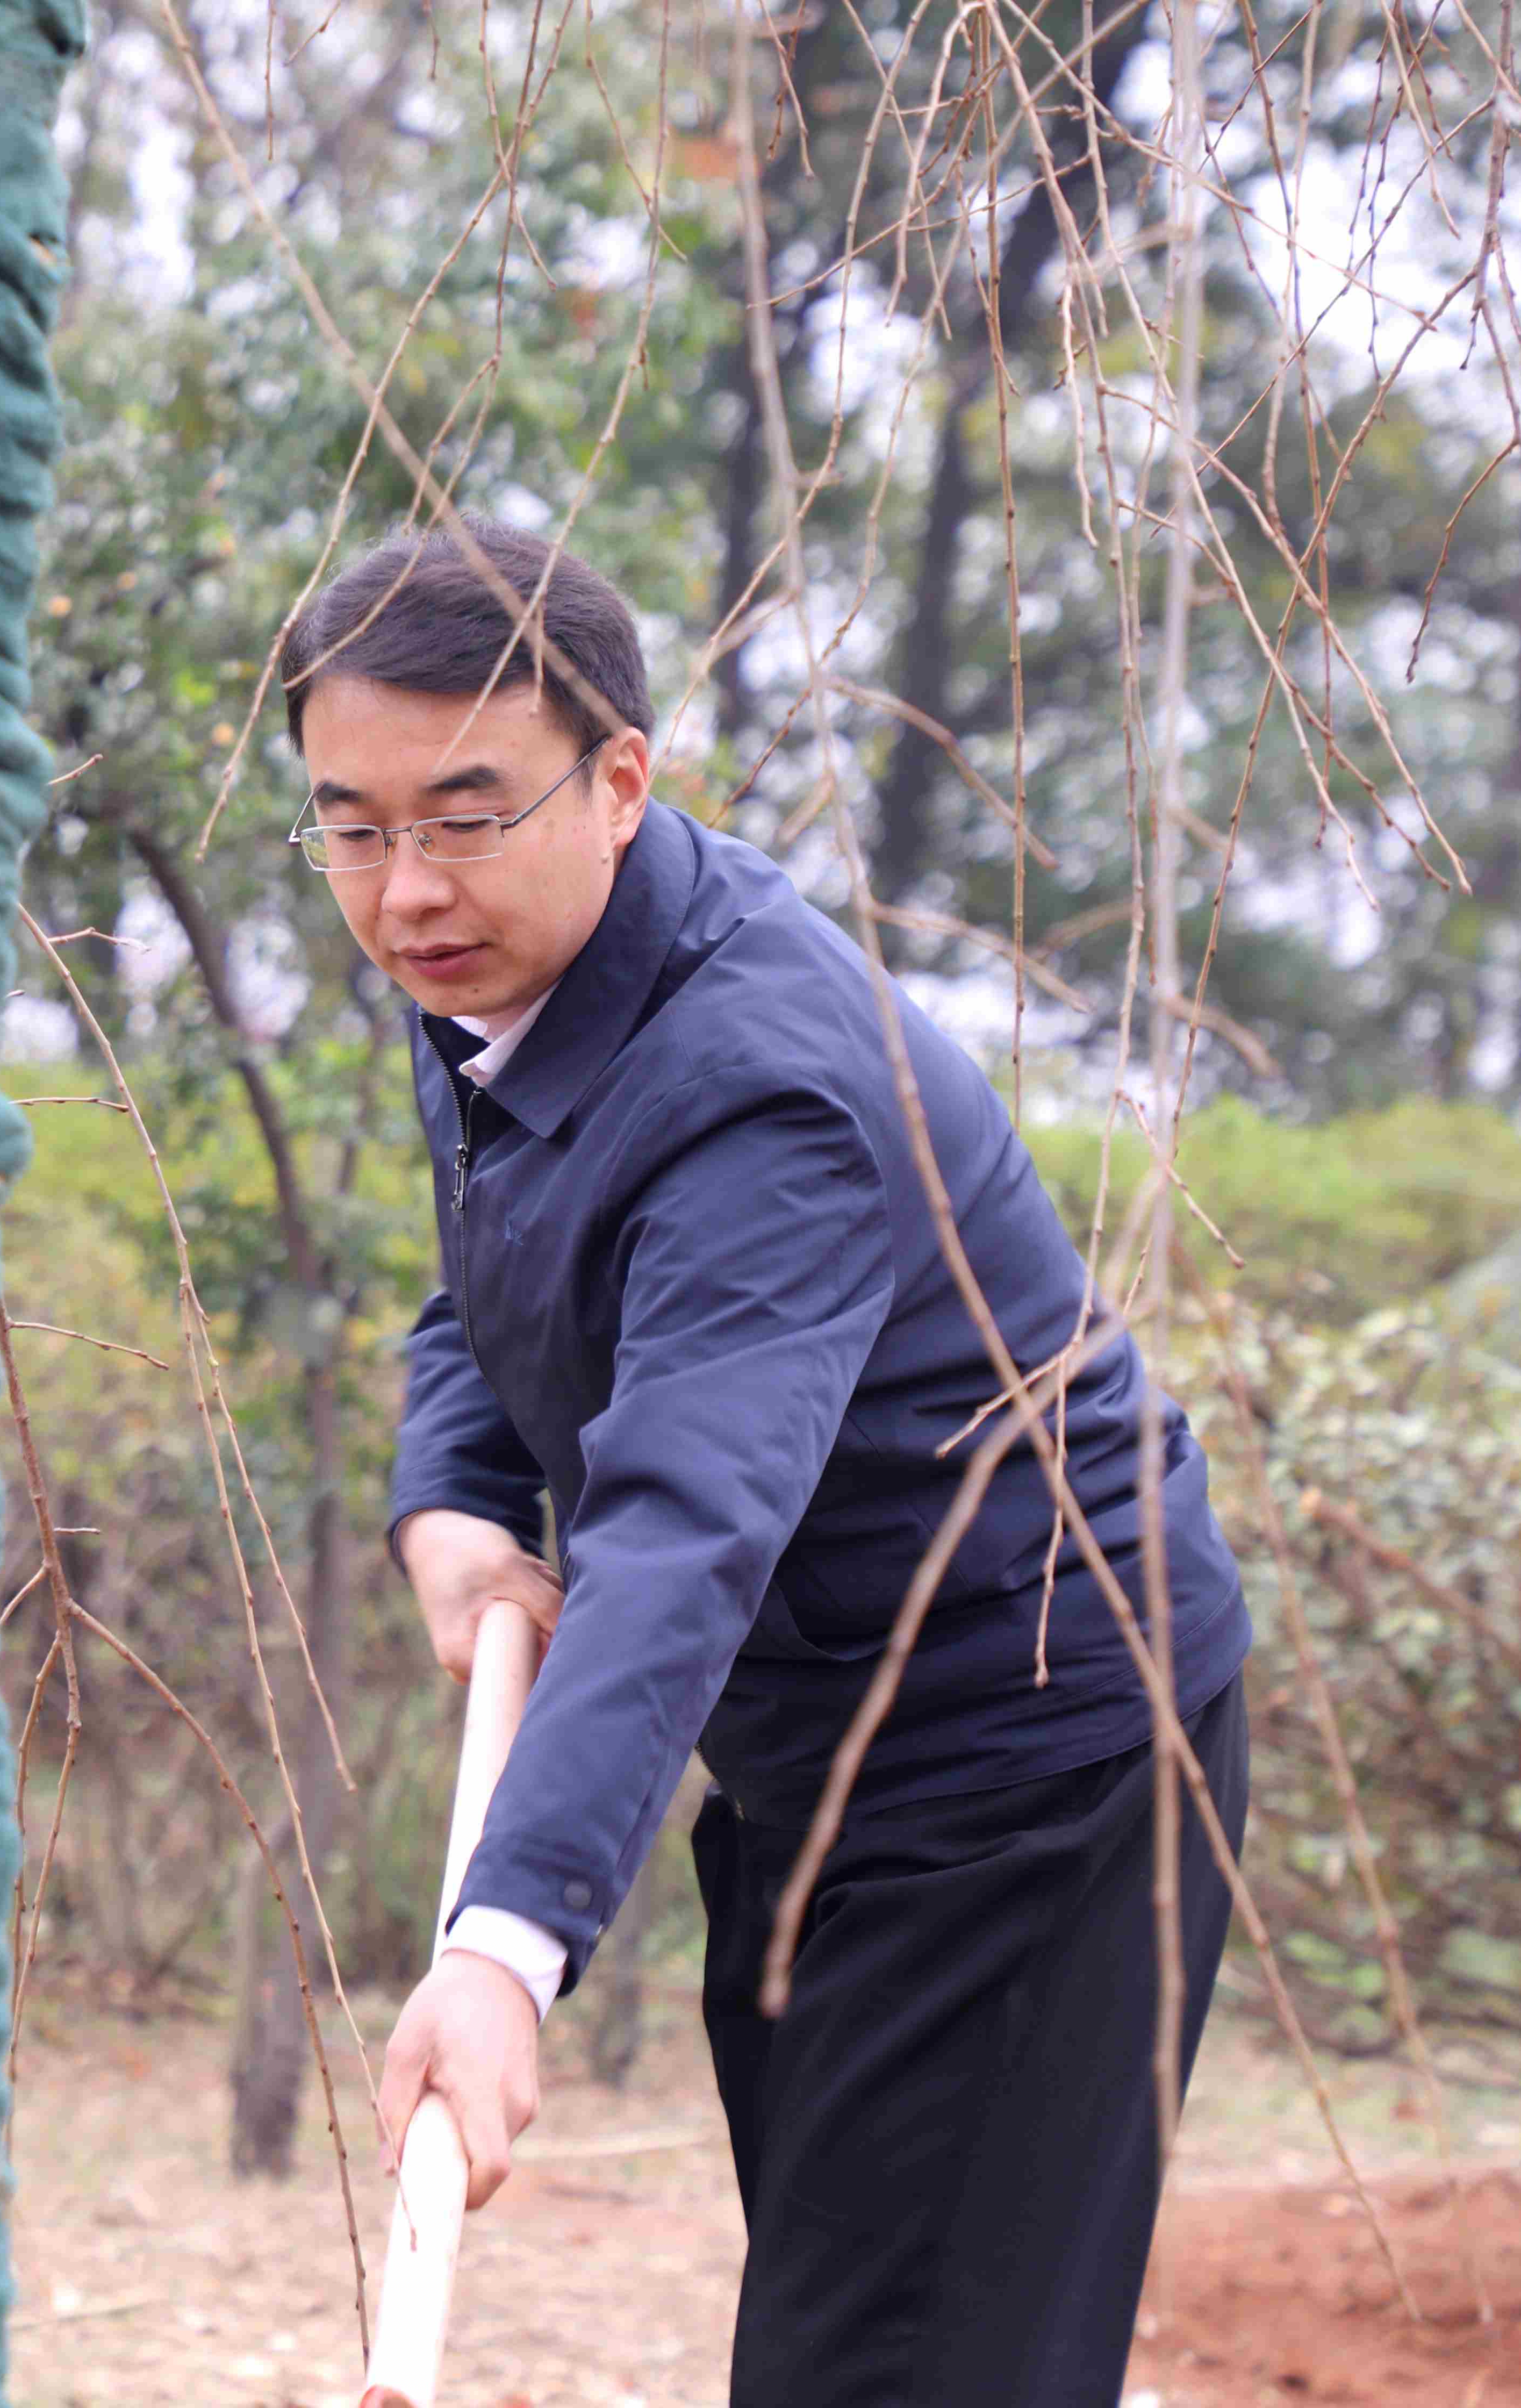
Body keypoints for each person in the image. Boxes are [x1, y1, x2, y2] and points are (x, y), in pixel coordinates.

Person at [299, 526, 1251, 2406]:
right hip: (820, 1747)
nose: (406, 889)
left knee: (890, 2369)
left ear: (623, 779)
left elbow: (679, 1533)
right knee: (863, 2325)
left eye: (466, 816)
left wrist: (502, 1951)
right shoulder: (507, 981)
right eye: (352, 825)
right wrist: (452, 1512)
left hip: (1022, 1759)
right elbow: (498, 1282)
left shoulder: (761, 1088)